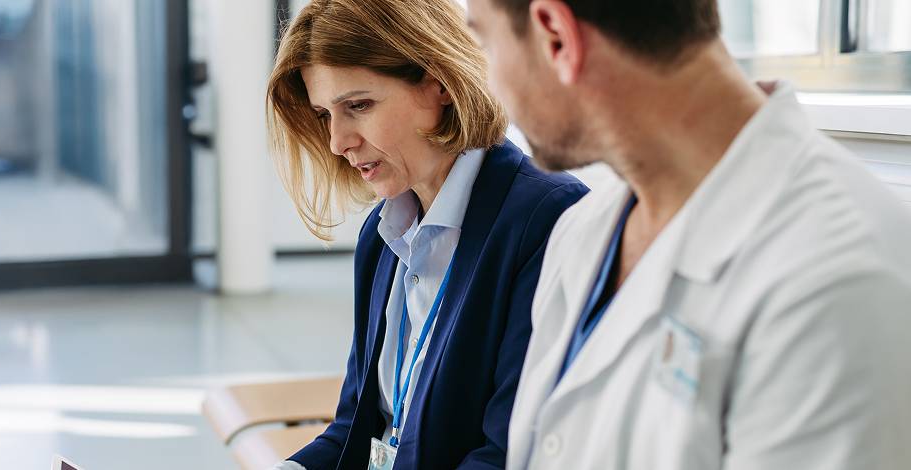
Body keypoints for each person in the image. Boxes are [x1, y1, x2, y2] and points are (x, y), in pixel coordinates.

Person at [465, 0, 911, 469]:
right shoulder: (583, 230)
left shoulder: (837, 281)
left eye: (486, 43)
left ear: (556, 35)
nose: (492, 84)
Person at [266, 1, 589, 469]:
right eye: (324, 115)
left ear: (439, 83)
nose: (338, 142)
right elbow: (358, 428)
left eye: (358, 105)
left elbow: (510, 455)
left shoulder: (546, 219)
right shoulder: (381, 239)